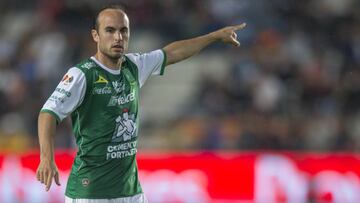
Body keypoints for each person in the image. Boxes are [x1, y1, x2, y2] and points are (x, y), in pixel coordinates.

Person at [36, 4, 246, 203]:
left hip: (130, 192)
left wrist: (213, 37)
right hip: (90, 191)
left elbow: (172, 53)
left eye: (123, 31)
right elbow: (48, 113)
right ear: (95, 35)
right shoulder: (82, 75)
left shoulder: (134, 66)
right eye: (110, 30)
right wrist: (47, 158)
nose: (118, 37)